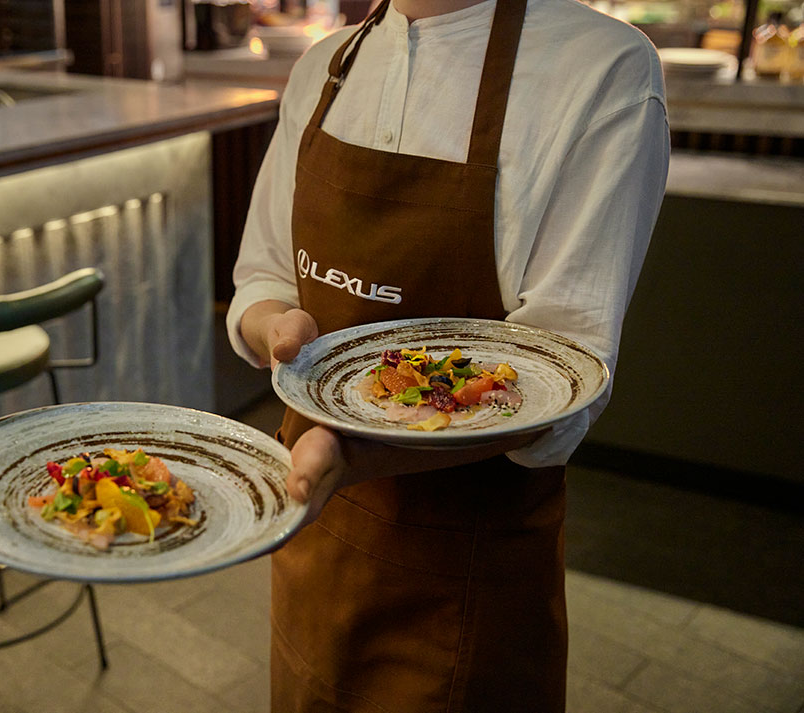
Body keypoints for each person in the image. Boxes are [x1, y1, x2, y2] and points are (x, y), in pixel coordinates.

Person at [227, 0, 669, 710]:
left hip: (463, 558)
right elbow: (263, 275)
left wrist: (359, 454)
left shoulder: (600, 68)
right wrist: (275, 326)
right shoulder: (322, 67)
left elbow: (566, 377)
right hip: (310, 522)